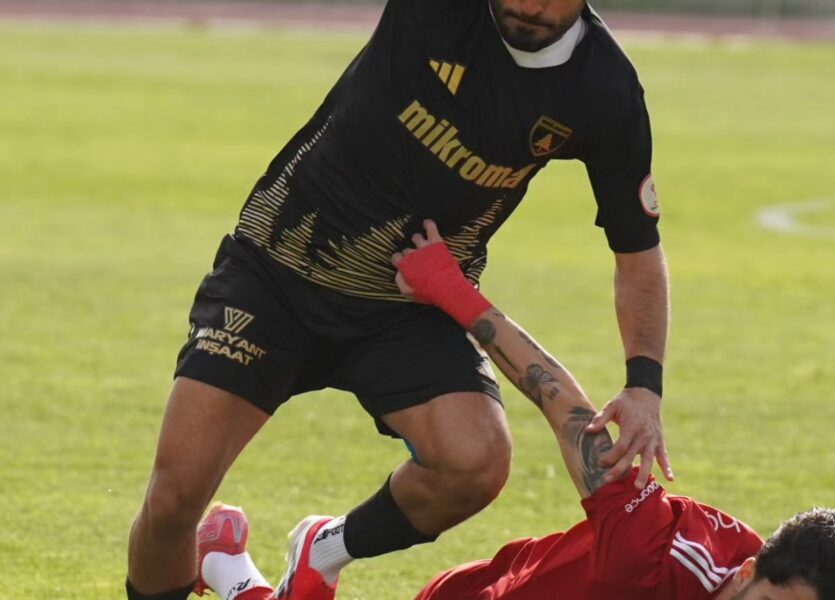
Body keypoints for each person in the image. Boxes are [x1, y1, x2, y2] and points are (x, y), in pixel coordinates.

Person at [126, 1, 671, 599]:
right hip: (278, 275)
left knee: (475, 462)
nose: (531, 3)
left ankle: (321, 550)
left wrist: (643, 384)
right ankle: (225, 569)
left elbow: (637, 251)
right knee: (174, 500)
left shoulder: (605, 90)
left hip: (410, 304)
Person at [190, 222, 835, 600]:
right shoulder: (650, 555)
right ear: (747, 572)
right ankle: (260, 562)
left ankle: (235, 561)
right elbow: (563, 406)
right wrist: (451, 291)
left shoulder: (751, 568)